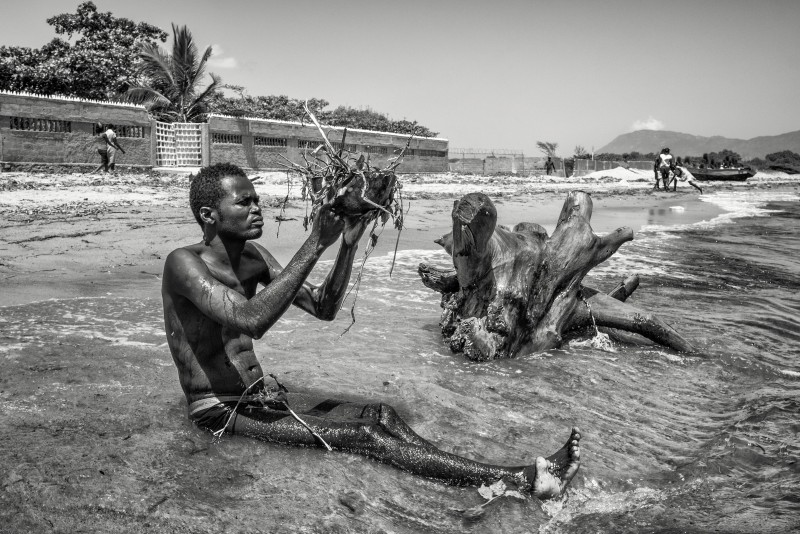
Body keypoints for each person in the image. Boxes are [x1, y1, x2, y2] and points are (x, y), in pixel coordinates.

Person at [161, 162, 581, 499]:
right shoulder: (184, 263)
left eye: (257, 199)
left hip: (259, 395)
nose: (257, 208)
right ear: (209, 215)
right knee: (365, 436)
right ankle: (521, 480)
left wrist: (345, 243)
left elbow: (323, 306)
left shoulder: (253, 256)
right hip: (219, 410)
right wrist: (315, 242)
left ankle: (472, 479)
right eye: (244, 202)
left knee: (381, 415)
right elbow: (251, 320)